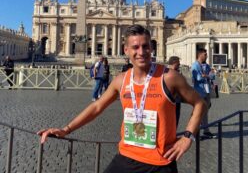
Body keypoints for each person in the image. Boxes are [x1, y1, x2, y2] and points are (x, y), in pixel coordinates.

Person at [37, 24, 207, 173]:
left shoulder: (169, 77)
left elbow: (200, 103)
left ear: (151, 48)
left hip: (161, 162)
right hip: (127, 156)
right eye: (135, 47)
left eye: (145, 46)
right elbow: (97, 107)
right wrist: (66, 129)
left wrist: (187, 137)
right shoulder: (121, 80)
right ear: (126, 50)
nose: (141, 52)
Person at [191, 48, 216, 139]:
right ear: (200, 55)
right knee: (198, 112)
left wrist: (205, 75)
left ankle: (206, 130)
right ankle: (194, 132)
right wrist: (207, 75)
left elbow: (213, 76)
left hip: (207, 91)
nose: (207, 56)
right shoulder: (195, 65)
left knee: (205, 112)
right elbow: (198, 77)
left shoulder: (207, 65)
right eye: (205, 54)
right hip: (199, 91)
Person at [167, 56, 181, 127]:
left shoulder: (178, 72)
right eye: (178, 63)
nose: (179, 64)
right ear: (174, 63)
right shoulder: (166, 72)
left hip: (177, 100)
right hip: (169, 100)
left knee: (176, 120)